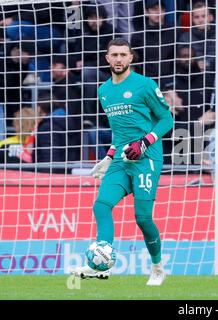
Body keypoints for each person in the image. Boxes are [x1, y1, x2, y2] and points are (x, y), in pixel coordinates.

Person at [70, 38, 173, 286]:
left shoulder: (145, 85)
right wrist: (108, 156)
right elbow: (119, 130)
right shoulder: (104, 91)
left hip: (146, 158)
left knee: (142, 217)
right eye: (114, 55)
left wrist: (144, 142)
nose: (118, 59)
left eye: (123, 55)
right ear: (107, 58)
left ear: (131, 58)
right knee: (101, 206)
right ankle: (102, 262)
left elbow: (166, 120)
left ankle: (158, 267)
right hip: (120, 160)